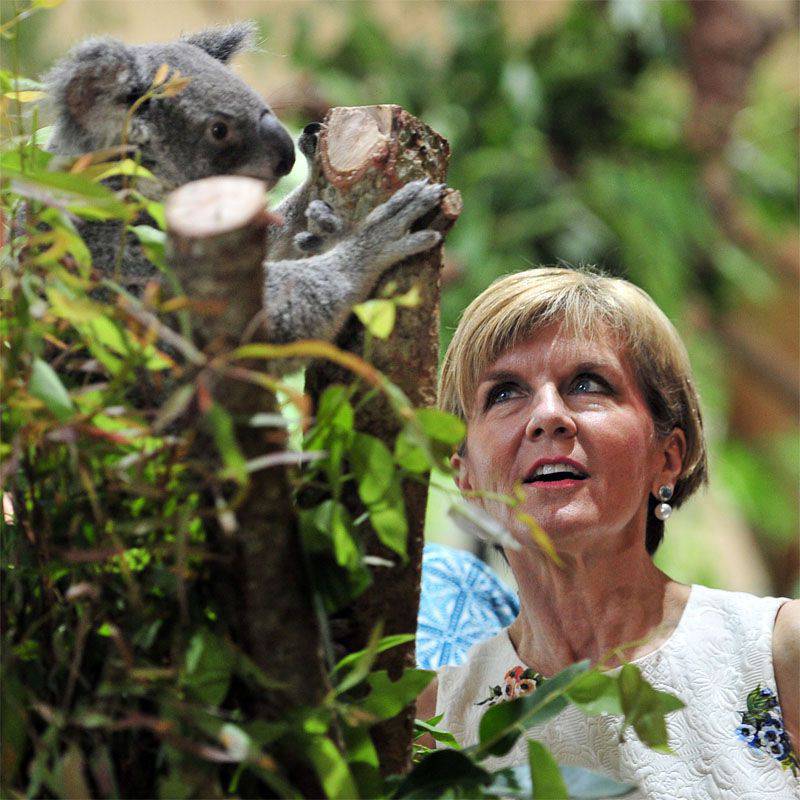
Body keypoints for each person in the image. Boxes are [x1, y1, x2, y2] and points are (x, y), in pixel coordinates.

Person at [416, 267, 799, 799]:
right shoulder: (433, 725)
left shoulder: (779, 655)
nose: (547, 416)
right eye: (505, 393)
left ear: (668, 457)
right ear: (468, 480)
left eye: (587, 385)